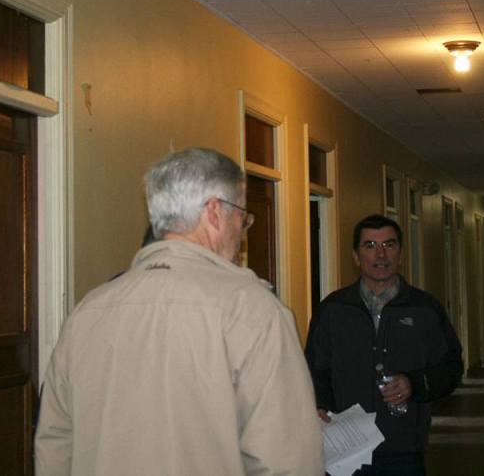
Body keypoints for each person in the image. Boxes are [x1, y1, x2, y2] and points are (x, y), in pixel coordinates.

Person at [35, 147, 323, 475]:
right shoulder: (253, 310)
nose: (242, 232)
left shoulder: (88, 311)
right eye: (242, 217)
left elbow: (56, 442)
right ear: (214, 211)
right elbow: (286, 459)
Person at [305, 214, 462, 476]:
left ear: (400, 253)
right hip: (345, 451)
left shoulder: (424, 308)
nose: (380, 255)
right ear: (356, 256)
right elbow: (314, 368)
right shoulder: (333, 309)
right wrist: (320, 403)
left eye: (389, 245)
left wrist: (414, 383)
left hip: (404, 449)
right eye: (370, 246)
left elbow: (452, 367)